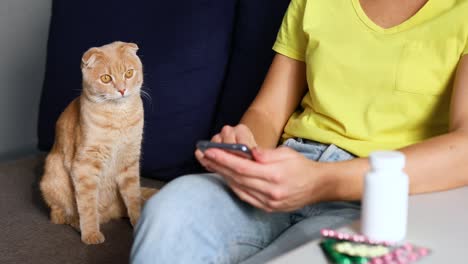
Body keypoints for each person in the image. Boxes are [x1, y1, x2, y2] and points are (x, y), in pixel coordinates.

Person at [131, 0, 468, 263]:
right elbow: (267, 111)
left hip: (377, 200)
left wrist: (322, 180)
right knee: (172, 209)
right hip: (286, 167)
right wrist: (248, 146)